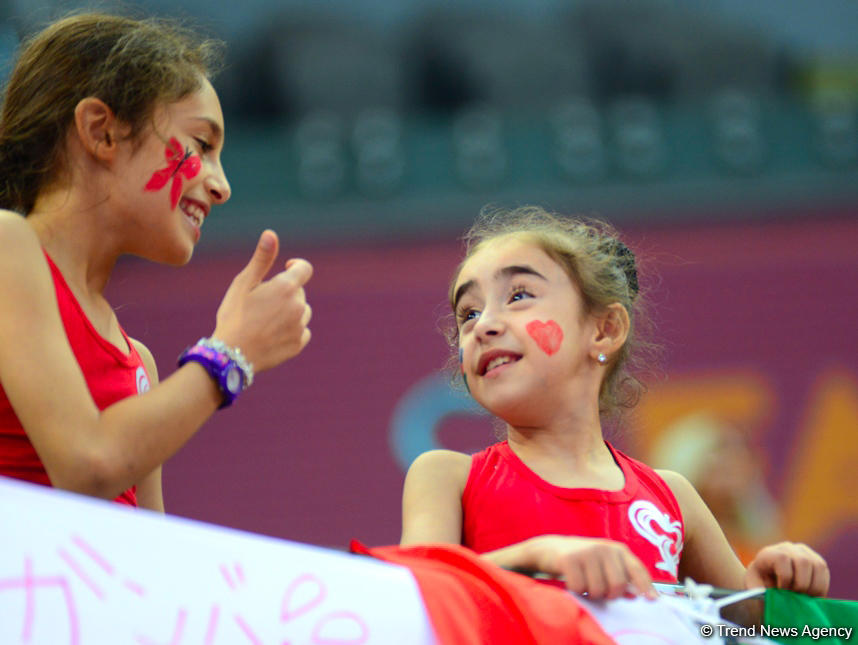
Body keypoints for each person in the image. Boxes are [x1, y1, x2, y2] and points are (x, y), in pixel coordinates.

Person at [400, 205, 829, 601]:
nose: (484, 326)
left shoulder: (674, 499)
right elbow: (414, 595)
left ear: (604, 330)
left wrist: (782, 588)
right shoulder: (447, 477)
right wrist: (534, 557)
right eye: (468, 313)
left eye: (518, 296)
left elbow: (753, 626)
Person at [0, 13, 312, 511]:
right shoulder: (6, 244)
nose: (222, 185)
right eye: (202, 145)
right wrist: (230, 352)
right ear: (102, 132)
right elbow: (87, 464)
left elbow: (150, 558)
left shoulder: (137, 362)